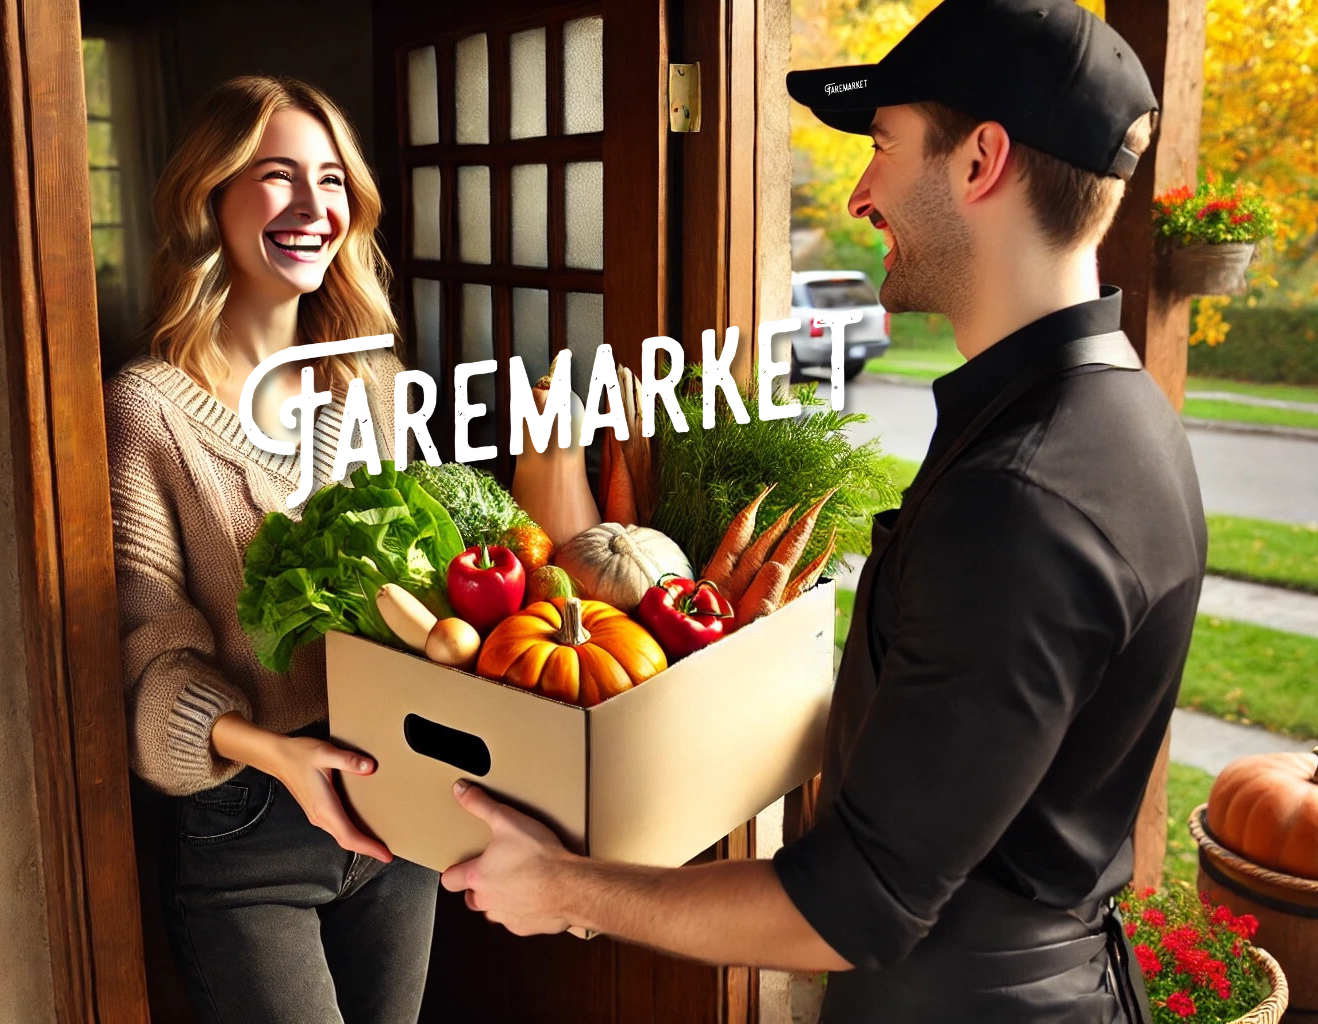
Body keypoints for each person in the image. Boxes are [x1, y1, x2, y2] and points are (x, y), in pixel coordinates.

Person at [438, 2, 1206, 1021]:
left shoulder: (1026, 496)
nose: (858, 192)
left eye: (883, 147)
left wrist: (559, 885)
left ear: (981, 161)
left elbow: (850, 909)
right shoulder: (1116, 414)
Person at [104, 75, 434, 1023]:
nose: (312, 206)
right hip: (250, 821)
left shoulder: (372, 378)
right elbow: (150, 663)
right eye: (277, 175)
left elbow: (435, 592)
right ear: (210, 195)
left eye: (331, 180)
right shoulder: (150, 410)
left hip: (398, 795)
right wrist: (283, 759)